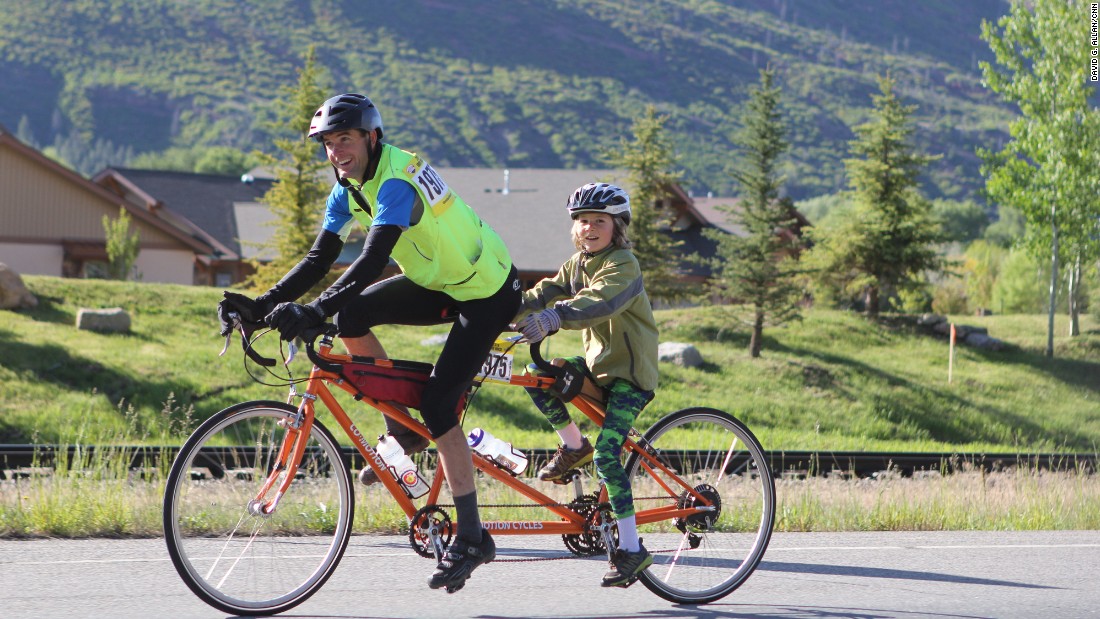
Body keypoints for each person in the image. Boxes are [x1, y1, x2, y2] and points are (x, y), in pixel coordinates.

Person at [217, 93, 520, 592]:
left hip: (486, 291)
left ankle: (473, 535)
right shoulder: (347, 187)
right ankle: (401, 434)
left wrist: (316, 310)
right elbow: (319, 260)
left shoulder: (396, 181)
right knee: (353, 314)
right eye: (329, 144)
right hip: (438, 280)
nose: (336, 152)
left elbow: (373, 258)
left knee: (439, 404)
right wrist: (260, 304)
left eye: (345, 140)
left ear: (371, 138)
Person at [513, 182, 659, 588]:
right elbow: (544, 291)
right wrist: (505, 310)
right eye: (581, 221)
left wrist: (556, 317)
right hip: (597, 371)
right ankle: (575, 445)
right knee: (539, 377)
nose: (588, 228)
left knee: (609, 459)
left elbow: (600, 301)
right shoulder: (577, 263)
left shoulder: (624, 265)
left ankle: (632, 549)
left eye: (599, 221)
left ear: (618, 227)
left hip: (630, 377)